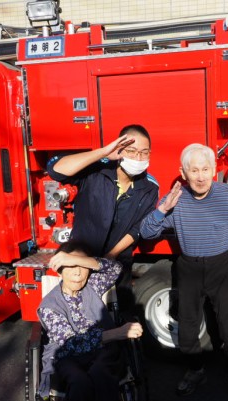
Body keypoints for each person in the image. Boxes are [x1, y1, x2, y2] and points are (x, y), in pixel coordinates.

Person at [140, 143, 228, 401]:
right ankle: (195, 370)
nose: (201, 176)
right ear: (183, 173)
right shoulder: (175, 198)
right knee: (188, 327)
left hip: (223, 265)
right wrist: (163, 209)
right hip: (190, 268)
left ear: (214, 170)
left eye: (205, 169)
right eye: (194, 170)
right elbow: (146, 232)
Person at [38, 241, 144, 401]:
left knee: (101, 373)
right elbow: (71, 344)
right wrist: (117, 333)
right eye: (70, 266)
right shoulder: (49, 305)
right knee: (79, 381)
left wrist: (75, 259)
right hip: (68, 356)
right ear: (59, 270)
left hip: (103, 353)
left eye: (82, 265)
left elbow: (115, 268)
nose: (78, 272)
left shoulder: (93, 286)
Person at [47, 124, 159, 310]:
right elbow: (55, 169)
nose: (138, 158)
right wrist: (103, 153)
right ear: (119, 149)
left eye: (144, 152)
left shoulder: (150, 187)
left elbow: (138, 228)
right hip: (80, 260)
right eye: (131, 151)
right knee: (80, 315)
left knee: (120, 315)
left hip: (118, 263)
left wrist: (110, 256)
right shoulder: (95, 171)